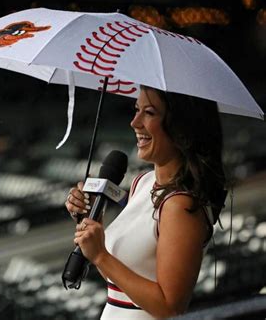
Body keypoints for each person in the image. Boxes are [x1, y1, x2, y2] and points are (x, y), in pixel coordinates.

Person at [65, 86, 227, 319]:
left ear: (180, 125)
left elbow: (170, 307)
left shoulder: (180, 205)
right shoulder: (142, 182)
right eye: (136, 110)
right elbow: (121, 283)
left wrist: (101, 255)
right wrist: (92, 224)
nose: (135, 122)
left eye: (149, 112)